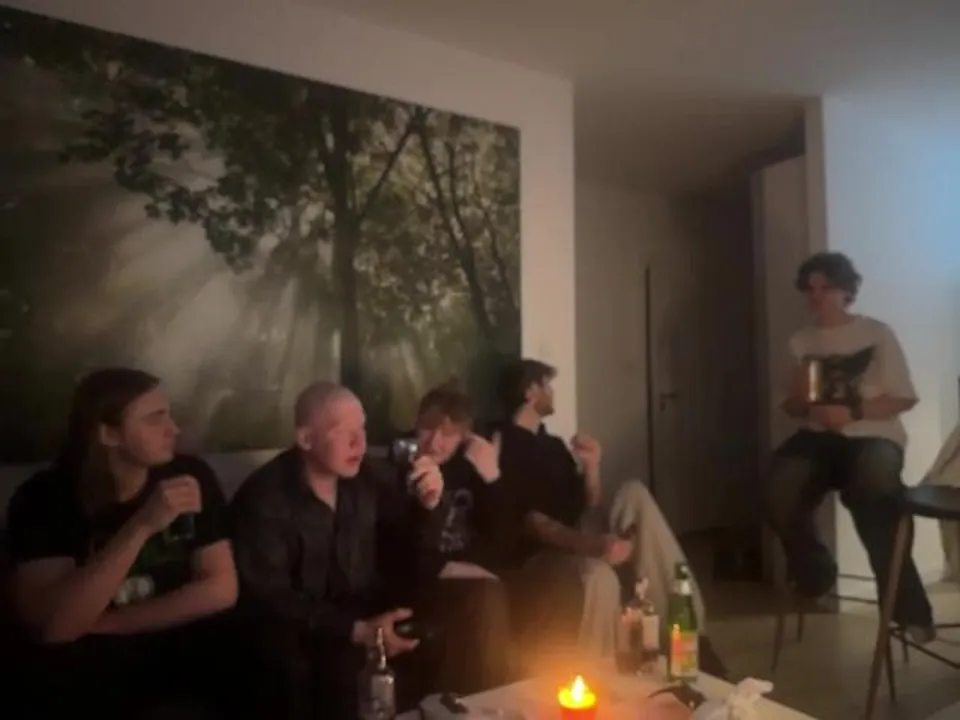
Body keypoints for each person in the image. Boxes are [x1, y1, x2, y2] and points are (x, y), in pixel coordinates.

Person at [5, 368, 238, 718]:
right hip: (88, 669)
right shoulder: (45, 498)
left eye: (169, 414)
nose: (173, 429)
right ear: (109, 434)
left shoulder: (189, 474)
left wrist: (106, 624)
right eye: (155, 418)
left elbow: (221, 588)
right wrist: (142, 524)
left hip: (178, 649)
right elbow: (54, 626)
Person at [230, 381, 446, 720]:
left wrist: (428, 506)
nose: (359, 442)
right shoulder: (265, 497)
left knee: (455, 616)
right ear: (306, 439)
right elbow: (270, 598)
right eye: (341, 432)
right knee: (327, 665)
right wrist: (358, 630)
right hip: (302, 628)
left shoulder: (370, 479)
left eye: (362, 428)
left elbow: (410, 556)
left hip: (367, 609)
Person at [764, 252, 935, 641]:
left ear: (846, 291)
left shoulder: (876, 333)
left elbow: (904, 397)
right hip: (817, 437)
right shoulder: (800, 341)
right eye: (810, 289)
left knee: (876, 495)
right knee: (777, 489)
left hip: (873, 435)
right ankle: (815, 572)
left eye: (826, 288)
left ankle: (909, 611)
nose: (817, 296)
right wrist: (800, 400)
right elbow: (792, 407)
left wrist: (853, 412)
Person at [495, 359, 708, 660]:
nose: (553, 391)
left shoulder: (553, 445)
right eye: (547, 384)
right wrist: (593, 545)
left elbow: (591, 504)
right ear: (530, 391)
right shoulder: (506, 445)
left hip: (578, 528)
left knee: (633, 492)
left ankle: (690, 635)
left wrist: (593, 467)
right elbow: (532, 521)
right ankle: (614, 670)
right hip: (547, 548)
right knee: (598, 575)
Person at [396, 380, 513, 693]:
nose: (435, 442)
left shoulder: (469, 469)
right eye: (427, 428)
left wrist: (492, 478)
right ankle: (484, 703)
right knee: (488, 595)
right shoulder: (402, 470)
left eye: (448, 433)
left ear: (464, 436)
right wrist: (476, 571)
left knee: (498, 593)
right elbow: (410, 557)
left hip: (473, 574)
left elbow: (503, 539)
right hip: (427, 581)